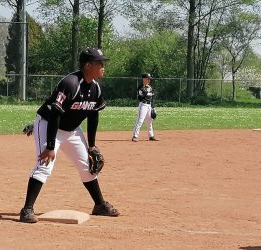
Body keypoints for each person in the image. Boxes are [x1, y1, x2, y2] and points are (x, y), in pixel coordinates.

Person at [19, 48, 120, 223]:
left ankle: (99, 205)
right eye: (99, 63)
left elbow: (93, 114)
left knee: (87, 166)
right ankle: (27, 210)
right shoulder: (71, 83)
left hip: (72, 129)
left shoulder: (95, 87)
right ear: (88, 66)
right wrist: (50, 146)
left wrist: (92, 145)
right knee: (45, 165)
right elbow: (55, 115)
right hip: (48, 124)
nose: (103, 66)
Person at [132, 73, 159, 142]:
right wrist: (146, 92)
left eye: (149, 79)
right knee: (140, 121)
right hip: (143, 105)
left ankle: (151, 136)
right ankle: (135, 136)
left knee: (149, 121)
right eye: (148, 78)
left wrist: (153, 107)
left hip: (149, 106)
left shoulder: (150, 87)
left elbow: (152, 98)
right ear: (143, 79)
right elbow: (140, 98)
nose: (149, 80)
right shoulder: (140, 87)